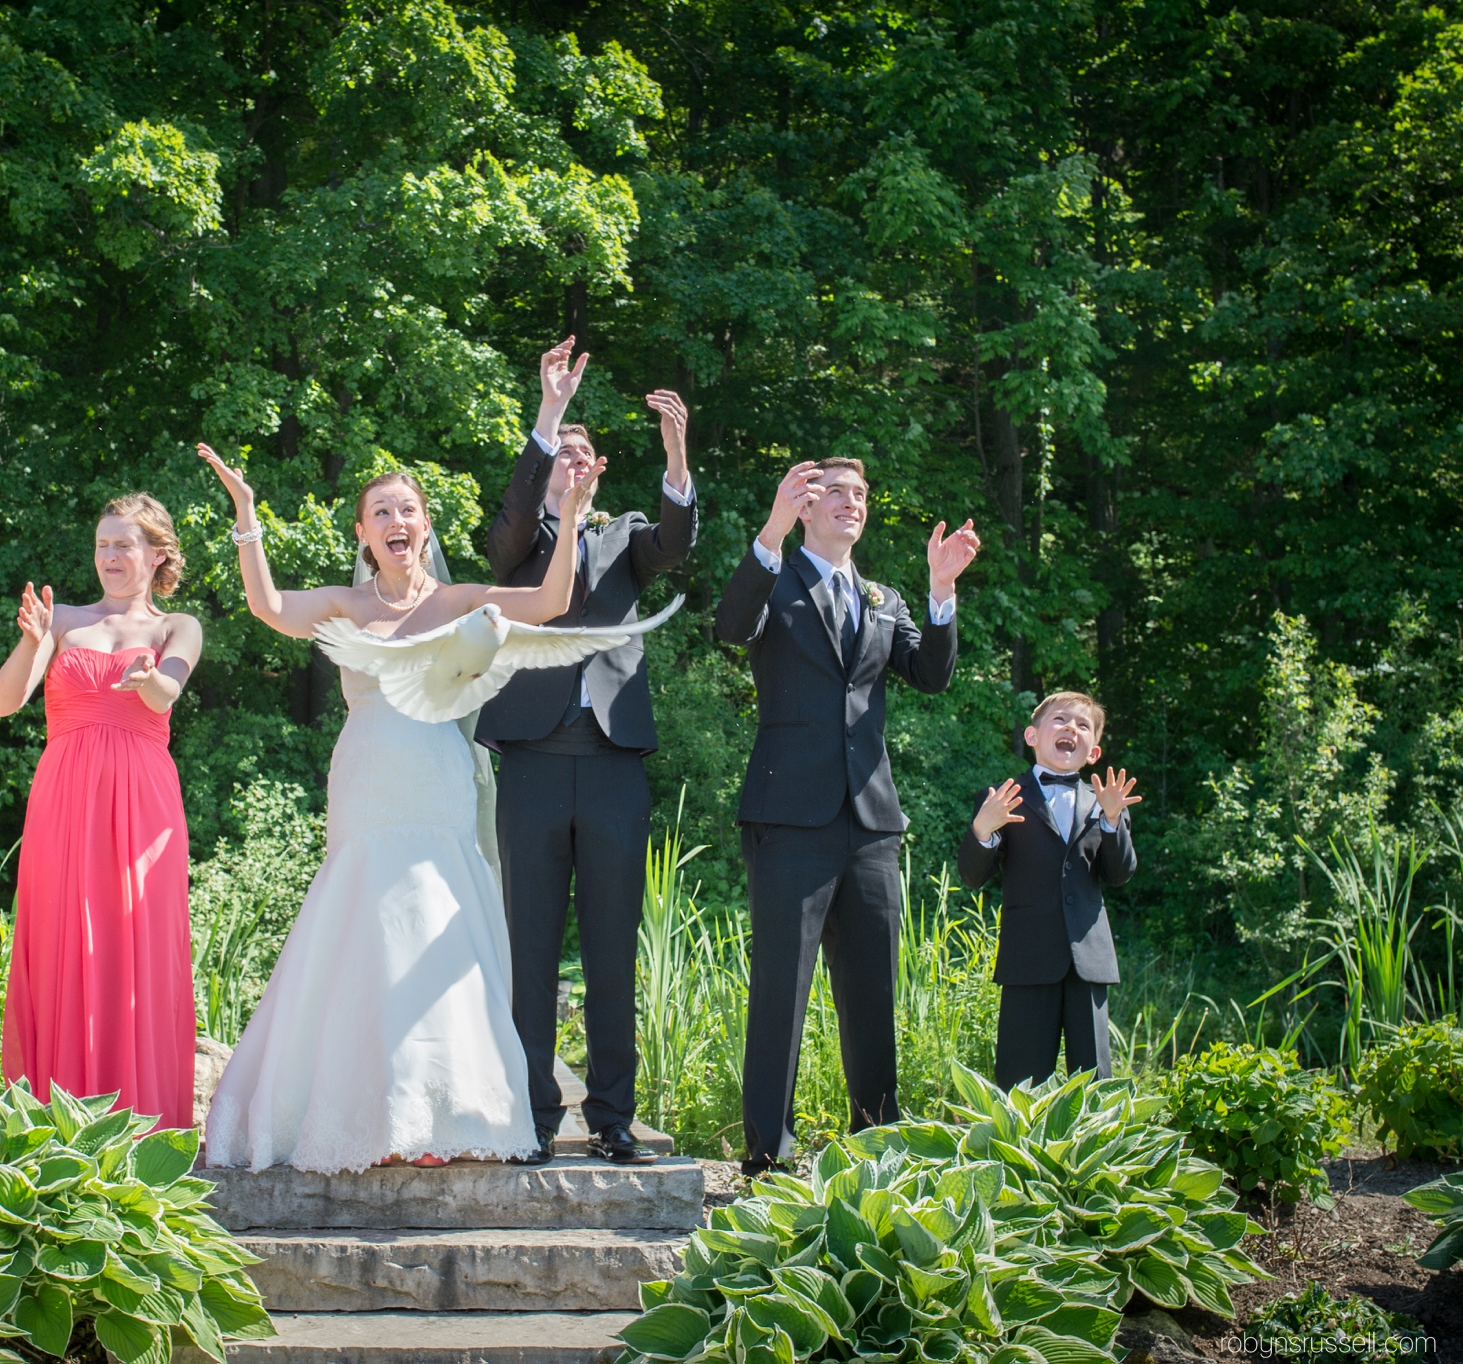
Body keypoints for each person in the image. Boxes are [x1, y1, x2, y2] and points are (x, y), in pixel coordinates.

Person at [197, 443, 601, 1172]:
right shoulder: (343, 606)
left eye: (406, 509)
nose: (395, 520)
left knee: (434, 931)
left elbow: (548, 603)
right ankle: (367, 1117)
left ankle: (444, 1116)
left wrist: (569, 513)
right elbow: (267, 606)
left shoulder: (454, 603)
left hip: (437, 781)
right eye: (380, 511)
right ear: (361, 533)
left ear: (425, 524)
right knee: (368, 933)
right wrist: (247, 512)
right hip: (368, 782)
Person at [714, 458, 981, 1174]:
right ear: (804, 506)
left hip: (869, 827)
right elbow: (731, 627)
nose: (850, 502)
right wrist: (768, 532)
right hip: (788, 823)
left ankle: (877, 1150)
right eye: (835, 491)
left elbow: (932, 675)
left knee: (872, 995)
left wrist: (941, 590)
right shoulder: (777, 577)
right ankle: (768, 1157)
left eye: (860, 494)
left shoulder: (883, 597)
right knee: (781, 992)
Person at [475, 336, 697, 1166]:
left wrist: (675, 456)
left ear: (599, 468)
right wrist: (549, 416)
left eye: (578, 454)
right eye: (555, 456)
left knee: (611, 951)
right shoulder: (521, 543)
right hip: (531, 763)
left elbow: (674, 546)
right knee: (528, 953)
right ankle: (532, 1114)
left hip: (612, 769)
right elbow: (504, 544)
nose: (568, 463)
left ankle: (611, 1119)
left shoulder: (626, 535)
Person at [0, 494, 204, 1129]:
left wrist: (149, 682)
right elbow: (6, 703)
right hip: (66, 797)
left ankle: (142, 1125)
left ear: (158, 553)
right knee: (63, 941)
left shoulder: (177, 626)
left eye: (124, 544)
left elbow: (168, 690)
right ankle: (56, 1123)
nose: (110, 556)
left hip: (143, 803)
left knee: (137, 943)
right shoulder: (64, 623)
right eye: (102, 544)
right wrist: (32, 643)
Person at [958, 691, 1140, 1090]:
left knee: (1094, 1082)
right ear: (1032, 736)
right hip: (1028, 957)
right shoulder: (1001, 798)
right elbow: (972, 876)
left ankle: (1095, 1149)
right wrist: (982, 830)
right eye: (1060, 720)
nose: (1071, 729)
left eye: (1083, 725)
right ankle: (1015, 1151)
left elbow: (1120, 873)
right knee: (1019, 1081)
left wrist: (1112, 821)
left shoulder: (1105, 802)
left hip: (1088, 958)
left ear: (1093, 752)